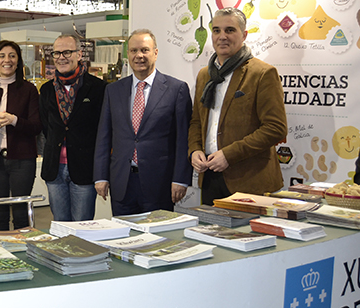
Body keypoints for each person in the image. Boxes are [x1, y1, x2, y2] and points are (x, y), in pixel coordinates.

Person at [188, 7, 287, 205]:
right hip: (209, 177)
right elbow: (197, 121)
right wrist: (195, 150)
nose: (222, 36)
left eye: (229, 30)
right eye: (216, 30)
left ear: (244, 35)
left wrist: (228, 155)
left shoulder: (262, 73)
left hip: (250, 181)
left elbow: (275, 128)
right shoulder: (204, 75)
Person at [93, 29, 192, 216]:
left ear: (155, 52)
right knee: (123, 237)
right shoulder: (113, 91)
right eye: (133, 51)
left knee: (158, 240)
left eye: (145, 50)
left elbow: (183, 139)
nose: (139, 56)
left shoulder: (176, 89)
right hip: (122, 182)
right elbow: (104, 136)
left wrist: (180, 179)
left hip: (160, 183)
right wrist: (100, 176)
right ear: (128, 54)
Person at [0, 40, 41, 230]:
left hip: (23, 160)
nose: (7, 60)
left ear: (19, 61)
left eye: (12, 56)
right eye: (2, 56)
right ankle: (1, 256)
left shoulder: (28, 90)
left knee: (21, 215)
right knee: (0, 215)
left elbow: (36, 127)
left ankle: (23, 254)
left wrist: (14, 120)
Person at [39, 35, 106, 221]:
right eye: (57, 53)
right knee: (61, 226)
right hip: (55, 169)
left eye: (67, 52)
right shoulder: (46, 90)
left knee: (82, 227)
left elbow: (103, 130)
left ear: (79, 54)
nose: (62, 57)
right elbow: (47, 127)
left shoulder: (98, 88)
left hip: (84, 169)